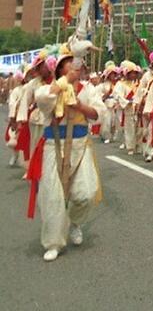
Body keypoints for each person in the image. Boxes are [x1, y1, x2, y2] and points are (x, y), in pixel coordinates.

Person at [26, 45, 105, 262]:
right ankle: (53, 242)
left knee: (86, 193)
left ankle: (75, 222)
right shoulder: (47, 89)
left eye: (76, 61)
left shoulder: (88, 89)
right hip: (54, 146)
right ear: (60, 69)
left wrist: (79, 105)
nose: (74, 65)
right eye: (69, 62)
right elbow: (43, 101)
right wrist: (63, 84)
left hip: (80, 145)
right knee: (52, 197)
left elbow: (97, 114)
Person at [6, 70, 25, 167]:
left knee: (25, 139)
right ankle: (14, 155)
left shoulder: (29, 87)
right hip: (17, 116)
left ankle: (25, 162)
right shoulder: (16, 90)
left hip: (27, 116)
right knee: (13, 136)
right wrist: (13, 118)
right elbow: (12, 104)